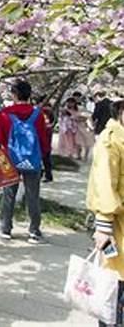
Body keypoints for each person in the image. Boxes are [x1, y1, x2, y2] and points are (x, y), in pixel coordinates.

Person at [0, 80, 51, 244]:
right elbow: (42, 138)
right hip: (32, 159)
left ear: (14, 94)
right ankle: (34, 231)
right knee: (33, 195)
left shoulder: (5, 114)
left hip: (11, 159)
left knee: (9, 194)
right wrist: (43, 156)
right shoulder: (37, 114)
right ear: (29, 94)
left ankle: (6, 229)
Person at [86, 98, 124, 327]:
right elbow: (103, 186)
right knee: (113, 291)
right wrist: (103, 227)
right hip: (115, 230)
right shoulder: (111, 141)